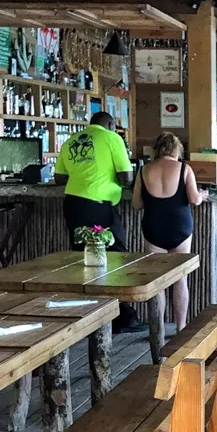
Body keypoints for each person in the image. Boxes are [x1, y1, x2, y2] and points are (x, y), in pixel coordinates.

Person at [55, 111, 143, 334]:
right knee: (116, 256)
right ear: (111, 124)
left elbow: (59, 178)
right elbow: (127, 177)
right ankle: (121, 317)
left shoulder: (71, 140)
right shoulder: (113, 138)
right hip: (99, 207)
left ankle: (90, 317)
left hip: (73, 205)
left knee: (82, 260)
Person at [132, 132, 207, 332]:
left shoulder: (144, 170)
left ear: (157, 149)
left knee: (157, 282)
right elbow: (194, 199)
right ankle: (181, 328)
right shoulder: (184, 169)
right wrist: (203, 194)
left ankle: (159, 330)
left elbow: (136, 203)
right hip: (179, 228)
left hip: (153, 228)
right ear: (177, 149)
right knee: (179, 279)